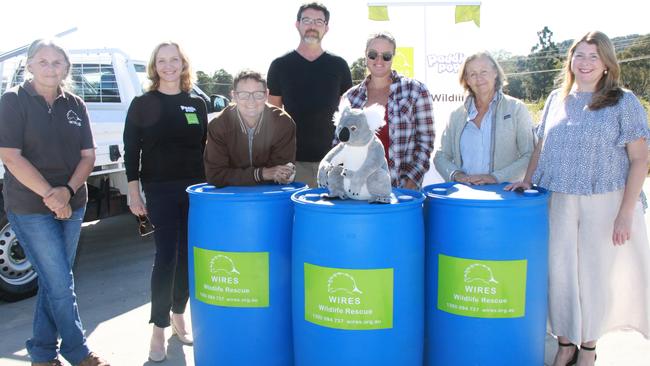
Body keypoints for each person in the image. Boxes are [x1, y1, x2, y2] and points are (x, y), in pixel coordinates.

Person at [506, 31, 650, 366]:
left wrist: (626, 214)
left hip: (606, 200)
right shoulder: (558, 98)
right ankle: (565, 343)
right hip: (558, 200)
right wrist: (526, 181)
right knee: (559, 275)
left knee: (593, 277)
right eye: (579, 55)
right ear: (570, 60)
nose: (585, 63)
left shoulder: (622, 101)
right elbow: (541, 146)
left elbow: (641, 159)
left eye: (593, 56)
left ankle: (588, 348)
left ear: (606, 64)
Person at [0, 39, 109, 366]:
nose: (51, 68)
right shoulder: (12, 101)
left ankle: (42, 353)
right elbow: (10, 156)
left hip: (73, 204)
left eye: (57, 62)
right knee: (61, 281)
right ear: (30, 65)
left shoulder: (76, 103)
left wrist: (67, 192)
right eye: (43, 62)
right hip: (29, 207)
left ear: (66, 68)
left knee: (54, 279)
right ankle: (78, 352)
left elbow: (88, 156)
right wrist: (52, 194)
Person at [123, 41, 208, 362]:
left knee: (188, 257)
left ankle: (177, 314)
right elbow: (132, 149)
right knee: (166, 257)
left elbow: (203, 148)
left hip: (195, 190)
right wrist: (134, 191)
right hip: (158, 189)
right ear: (154, 66)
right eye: (162, 61)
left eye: (174, 60)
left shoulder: (196, 103)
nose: (169, 66)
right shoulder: (142, 103)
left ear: (183, 64)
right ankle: (158, 327)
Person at [267, 2, 352, 187]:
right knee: (294, 216)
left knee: (330, 216)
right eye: (307, 20)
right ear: (297, 24)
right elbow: (272, 118)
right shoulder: (280, 66)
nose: (312, 26)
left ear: (326, 28)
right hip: (292, 164)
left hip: (334, 163)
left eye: (319, 21)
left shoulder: (339, 66)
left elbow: (348, 116)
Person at [343, 32, 434, 189]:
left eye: (386, 56)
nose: (379, 60)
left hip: (400, 188)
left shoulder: (415, 90)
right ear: (365, 56)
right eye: (373, 55)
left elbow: (426, 141)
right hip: (358, 190)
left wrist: (410, 183)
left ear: (393, 57)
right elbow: (339, 143)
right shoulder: (351, 97)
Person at [434, 51, 534, 184]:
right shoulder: (456, 115)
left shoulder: (516, 109)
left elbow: (530, 155)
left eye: (484, 72)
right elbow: (440, 156)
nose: (479, 78)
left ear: (495, 73)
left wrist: (496, 177)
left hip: (505, 197)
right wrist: (456, 175)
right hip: (465, 197)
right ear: (467, 80)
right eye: (473, 74)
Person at [204, 70, 296, 187]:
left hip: (270, 196)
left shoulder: (283, 123)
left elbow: (280, 173)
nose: (251, 101)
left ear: (266, 95)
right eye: (243, 94)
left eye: (258, 94)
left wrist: (283, 175)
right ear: (234, 96)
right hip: (230, 197)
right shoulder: (219, 125)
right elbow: (215, 175)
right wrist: (260, 174)